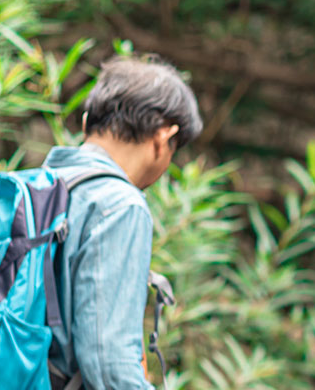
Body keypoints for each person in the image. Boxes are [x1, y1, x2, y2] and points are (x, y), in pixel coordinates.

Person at [47, 56, 202, 390]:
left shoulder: (38, 186)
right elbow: (109, 365)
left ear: (88, 121)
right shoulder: (120, 205)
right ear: (164, 138)